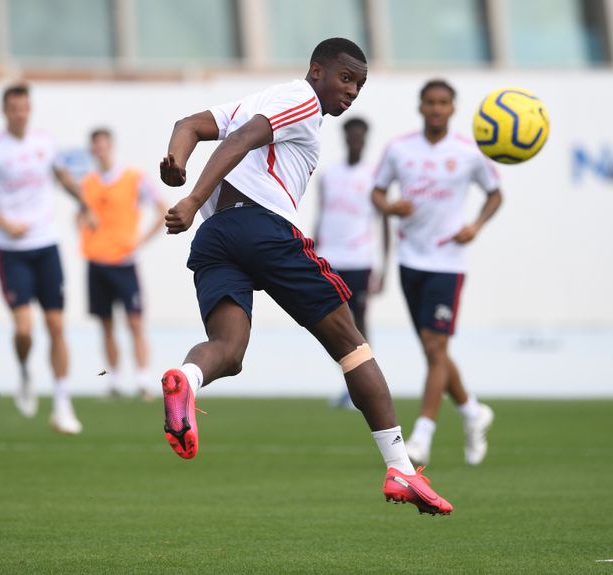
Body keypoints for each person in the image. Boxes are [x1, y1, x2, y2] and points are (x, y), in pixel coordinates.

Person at [158, 38, 452, 515]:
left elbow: (187, 125)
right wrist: (191, 198)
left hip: (216, 239)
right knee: (352, 346)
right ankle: (400, 467)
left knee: (228, 353)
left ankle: (186, 379)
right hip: (261, 227)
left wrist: (177, 161)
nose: (352, 90)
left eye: (359, 84)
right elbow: (240, 141)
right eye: (345, 77)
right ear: (317, 70)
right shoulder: (300, 98)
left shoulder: (257, 101)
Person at [372, 79, 502, 467]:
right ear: (420, 106)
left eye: (443, 103)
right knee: (434, 349)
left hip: (448, 262)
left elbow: (495, 193)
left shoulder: (468, 153)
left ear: (453, 108)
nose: (436, 109)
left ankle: (422, 437)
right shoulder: (399, 148)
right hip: (410, 260)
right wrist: (390, 207)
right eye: (430, 102)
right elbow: (377, 192)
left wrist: (476, 225)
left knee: (435, 349)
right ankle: (472, 412)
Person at [0, 83, 84, 434]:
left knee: (56, 326)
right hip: (11, 251)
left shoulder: (45, 143)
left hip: (46, 246)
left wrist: (85, 202)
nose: (20, 113)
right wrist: (5, 223)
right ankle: (24, 372)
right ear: (5, 111)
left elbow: (62, 176)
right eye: (14, 108)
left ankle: (62, 404)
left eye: (24, 107)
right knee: (24, 330)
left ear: (29, 109)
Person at [78, 128, 168, 400]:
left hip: (124, 262)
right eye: (96, 147)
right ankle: (114, 380)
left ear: (111, 147)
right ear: (92, 150)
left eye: (104, 146)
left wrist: (140, 241)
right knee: (105, 324)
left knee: (135, 322)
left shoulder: (133, 177)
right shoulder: (87, 183)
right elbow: (80, 216)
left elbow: (162, 208)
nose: (101, 151)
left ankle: (142, 380)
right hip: (96, 261)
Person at [314, 118, 388, 409]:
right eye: (351, 136)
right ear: (344, 138)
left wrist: (383, 268)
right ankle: (351, 386)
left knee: (359, 324)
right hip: (331, 259)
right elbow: (321, 217)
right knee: (332, 325)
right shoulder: (329, 175)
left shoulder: (374, 176)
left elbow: (384, 224)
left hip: (360, 260)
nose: (355, 141)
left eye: (360, 137)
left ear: (365, 139)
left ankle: (367, 387)